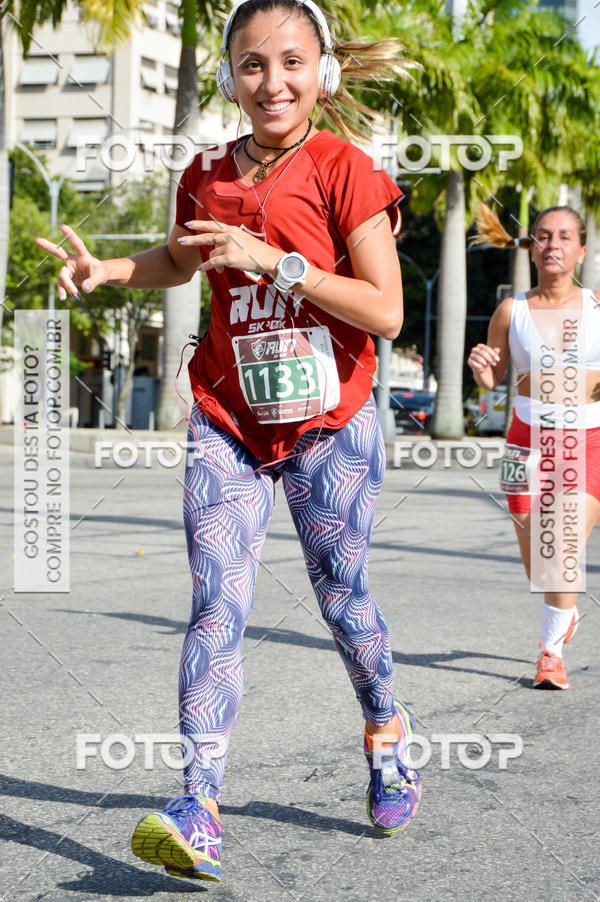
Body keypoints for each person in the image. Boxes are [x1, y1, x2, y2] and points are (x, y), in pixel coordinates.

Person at [37, 0, 421, 883]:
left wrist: (274, 258)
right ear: (229, 76)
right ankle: (198, 803)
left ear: (321, 69)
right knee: (218, 603)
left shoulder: (346, 169)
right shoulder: (208, 172)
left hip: (331, 424)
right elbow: (183, 258)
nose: (272, 82)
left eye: (290, 62)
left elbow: (387, 310)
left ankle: (386, 732)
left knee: (343, 601)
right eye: (252, 64)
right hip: (226, 419)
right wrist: (113, 270)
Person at [467, 204, 599, 691]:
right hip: (525, 441)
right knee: (539, 564)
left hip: (587, 439)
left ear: (581, 250)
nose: (553, 245)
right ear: (533, 247)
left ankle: (550, 655)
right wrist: (482, 368)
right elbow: (492, 378)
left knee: (560, 542)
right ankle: (562, 612)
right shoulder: (511, 310)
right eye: (544, 236)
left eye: (565, 236)